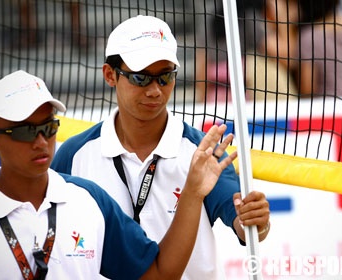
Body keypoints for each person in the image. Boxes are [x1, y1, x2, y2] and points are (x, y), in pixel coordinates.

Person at [51, 15, 271, 279]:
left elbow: (241, 220)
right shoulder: (74, 155)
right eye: (141, 78)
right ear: (110, 75)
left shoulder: (202, 152)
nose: (155, 90)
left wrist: (255, 220)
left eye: (165, 76)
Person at [0, 70, 237, 279]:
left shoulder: (88, 198)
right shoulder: (76, 157)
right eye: (25, 132)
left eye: (48, 127)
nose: (41, 142)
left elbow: (160, 274)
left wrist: (192, 193)